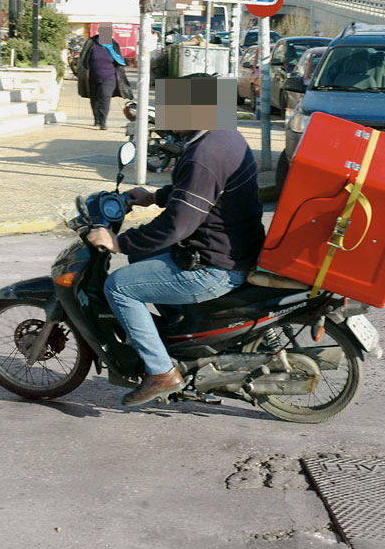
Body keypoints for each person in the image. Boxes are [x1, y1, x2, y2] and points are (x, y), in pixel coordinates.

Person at [85, 128, 266, 407]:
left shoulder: (203, 155)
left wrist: (118, 242)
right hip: (234, 247)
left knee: (119, 287)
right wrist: (155, 197)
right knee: (141, 257)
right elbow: (200, 190)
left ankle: (161, 372)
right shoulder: (226, 134)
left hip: (215, 266)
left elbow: (177, 226)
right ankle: (181, 336)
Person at [77, 30, 133, 129]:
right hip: (92, 77)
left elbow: (119, 61)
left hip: (109, 77)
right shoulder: (92, 43)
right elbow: (84, 59)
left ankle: (103, 122)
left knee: (105, 96)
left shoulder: (113, 45)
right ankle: (97, 118)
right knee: (94, 99)